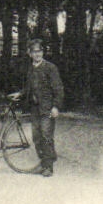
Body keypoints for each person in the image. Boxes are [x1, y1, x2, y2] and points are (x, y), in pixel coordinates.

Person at [20, 38, 63, 176]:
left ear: (43, 52)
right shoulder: (30, 69)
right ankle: (44, 161)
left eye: (40, 51)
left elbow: (58, 88)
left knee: (46, 136)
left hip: (47, 108)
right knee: (36, 137)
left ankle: (48, 167)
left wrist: (56, 106)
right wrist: (20, 94)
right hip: (34, 108)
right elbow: (28, 88)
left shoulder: (50, 68)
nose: (37, 54)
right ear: (29, 53)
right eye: (34, 52)